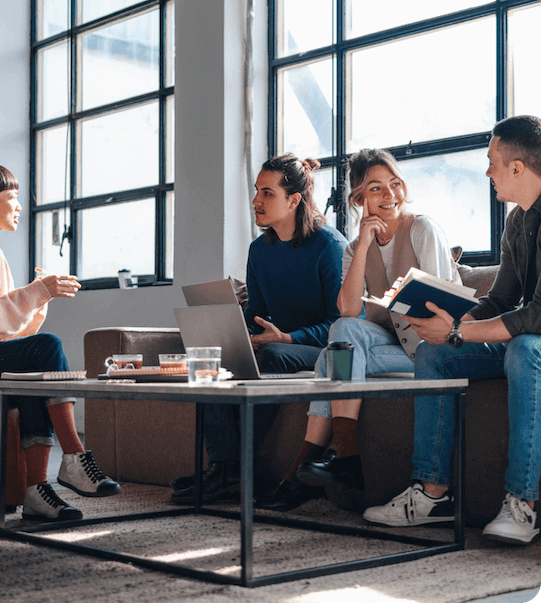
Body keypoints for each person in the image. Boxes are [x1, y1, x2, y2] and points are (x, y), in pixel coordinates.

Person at [363, 115, 541, 545]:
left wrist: (459, 332)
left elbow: (537, 316)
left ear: (517, 168)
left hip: (535, 340)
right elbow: (500, 300)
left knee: (525, 350)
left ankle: (524, 503)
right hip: (527, 333)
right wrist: (448, 318)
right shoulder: (517, 222)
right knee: (432, 354)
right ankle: (431, 494)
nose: (487, 172)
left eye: (492, 162)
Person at [256, 148, 460, 512]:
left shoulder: (421, 229)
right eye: (377, 189)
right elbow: (348, 310)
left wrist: (394, 305)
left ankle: (311, 466)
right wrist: (365, 243)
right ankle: (344, 450)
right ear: (358, 199)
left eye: (395, 184)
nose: (391, 195)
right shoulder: (354, 248)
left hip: (434, 350)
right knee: (343, 333)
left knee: (332, 358)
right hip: (397, 348)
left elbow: (444, 307)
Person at [170, 154, 348, 504]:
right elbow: (256, 312)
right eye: (256, 191)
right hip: (275, 342)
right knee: (212, 360)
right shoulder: (259, 249)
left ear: (294, 200)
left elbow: (339, 323)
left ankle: (230, 470)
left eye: (267, 193)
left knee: (275, 354)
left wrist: (287, 337)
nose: (256, 201)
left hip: (322, 349)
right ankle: (226, 466)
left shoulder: (330, 246)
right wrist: (235, 334)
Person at [0, 162, 121, 521]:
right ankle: (74, 455)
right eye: (12, 198)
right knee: (46, 348)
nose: (19, 208)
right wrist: (33, 293)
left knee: (34, 372)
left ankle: (36, 491)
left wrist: (39, 298)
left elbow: (7, 333)